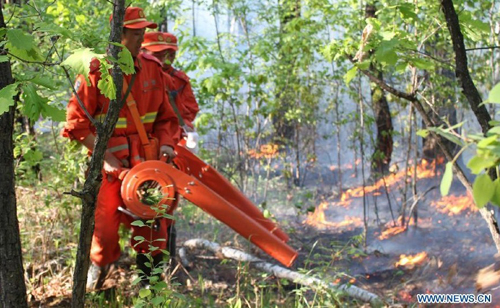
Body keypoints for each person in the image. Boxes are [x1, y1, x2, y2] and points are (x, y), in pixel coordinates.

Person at [62, 7, 180, 289]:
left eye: (143, 33)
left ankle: (149, 285)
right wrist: (105, 158)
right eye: (136, 33)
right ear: (119, 34)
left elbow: (167, 118)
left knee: (153, 225)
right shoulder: (95, 73)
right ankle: (97, 274)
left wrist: (166, 144)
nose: (142, 39)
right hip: (111, 170)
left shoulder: (152, 68)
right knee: (104, 228)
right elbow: (75, 124)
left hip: (148, 166)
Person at [140, 31, 200, 261]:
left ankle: (165, 258)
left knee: (166, 201)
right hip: (144, 148)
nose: (160, 59)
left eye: (164, 55)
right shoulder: (141, 74)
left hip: (171, 147)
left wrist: (184, 132)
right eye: (154, 53)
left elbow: (189, 110)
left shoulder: (178, 80)